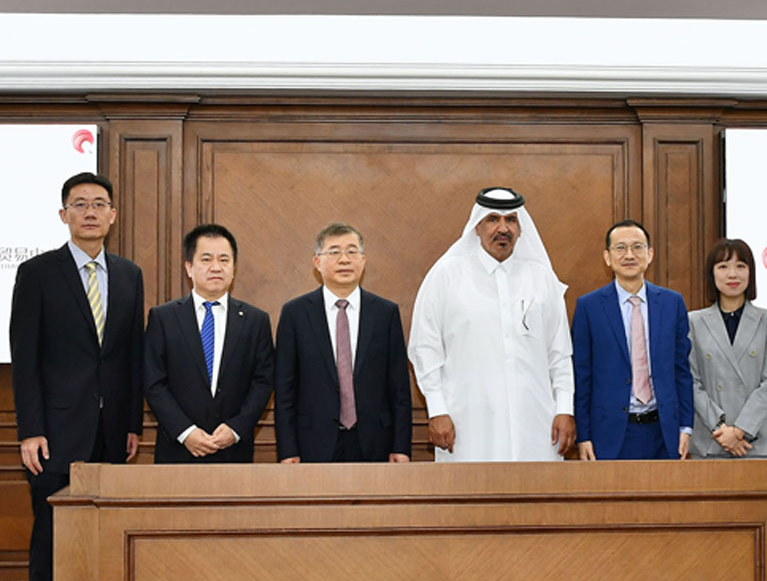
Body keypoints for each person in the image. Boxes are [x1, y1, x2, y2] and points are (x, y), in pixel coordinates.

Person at [9, 172, 144, 581]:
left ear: (113, 215)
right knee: (53, 543)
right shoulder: (37, 273)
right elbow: (26, 359)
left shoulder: (130, 275)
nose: (90, 212)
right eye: (79, 204)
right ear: (63, 215)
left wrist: (131, 423)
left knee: (107, 541)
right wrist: (30, 429)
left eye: (99, 204)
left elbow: (129, 356)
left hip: (112, 437)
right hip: (55, 436)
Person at [409, 187, 574, 461]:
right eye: (493, 219)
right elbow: (425, 349)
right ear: (477, 226)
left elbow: (559, 353)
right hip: (466, 427)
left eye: (511, 220)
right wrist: (437, 409)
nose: (503, 228)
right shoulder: (446, 275)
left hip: (536, 423)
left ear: (521, 229)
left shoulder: (541, 277)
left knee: (536, 499)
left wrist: (565, 408)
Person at [275, 222, 411, 463]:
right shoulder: (295, 314)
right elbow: (285, 389)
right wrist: (288, 450)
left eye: (352, 251)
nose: (344, 259)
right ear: (317, 262)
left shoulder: (385, 313)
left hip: (375, 440)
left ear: (363, 260)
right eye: (334, 252)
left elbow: (399, 387)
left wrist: (401, 446)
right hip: (312, 442)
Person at [144, 225, 274, 463]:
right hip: (178, 450)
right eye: (206, 259)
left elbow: (263, 381)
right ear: (189, 268)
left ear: (234, 269)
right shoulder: (163, 318)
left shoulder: (256, 321)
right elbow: (153, 382)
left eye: (224, 259)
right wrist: (185, 432)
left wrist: (236, 429)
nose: (216, 267)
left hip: (234, 450)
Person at [572, 219, 693, 460]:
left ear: (650, 254)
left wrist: (685, 427)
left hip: (663, 431)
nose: (629, 255)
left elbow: (682, 370)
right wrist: (583, 435)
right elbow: (582, 375)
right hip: (609, 433)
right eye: (620, 248)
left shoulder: (672, 303)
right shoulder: (589, 306)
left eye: (637, 247)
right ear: (607, 257)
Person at [687, 238, 767, 458]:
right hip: (711, 441)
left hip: (758, 441)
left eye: (741, 266)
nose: (733, 274)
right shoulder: (693, 322)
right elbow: (691, 383)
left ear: (751, 273)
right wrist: (721, 430)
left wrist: (740, 431)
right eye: (723, 266)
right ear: (711, 274)